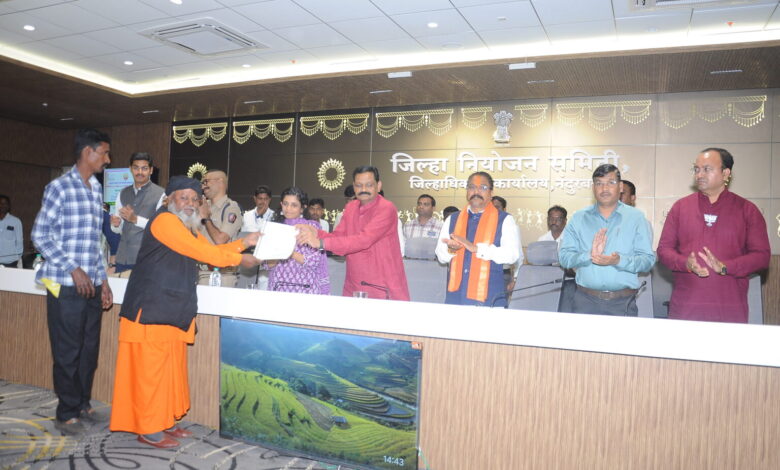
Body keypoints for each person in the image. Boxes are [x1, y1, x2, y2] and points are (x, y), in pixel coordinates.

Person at [110, 176, 261, 448]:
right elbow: (207, 255)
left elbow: (210, 249)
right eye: (183, 198)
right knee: (151, 373)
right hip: (150, 311)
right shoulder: (165, 221)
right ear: (169, 199)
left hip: (169, 311)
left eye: (194, 199)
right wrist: (241, 258)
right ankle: (148, 427)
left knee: (169, 371)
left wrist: (244, 242)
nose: (190, 203)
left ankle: (164, 420)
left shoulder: (185, 227)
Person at [31, 128, 114, 435]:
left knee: (89, 350)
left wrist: (103, 280)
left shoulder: (95, 188)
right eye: (104, 153)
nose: (108, 159)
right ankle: (66, 412)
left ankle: (82, 403)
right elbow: (40, 235)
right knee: (68, 350)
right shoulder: (59, 187)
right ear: (87, 153)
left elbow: (94, 242)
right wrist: (73, 268)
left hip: (92, 283)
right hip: (64, 284)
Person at [657, 148, 770, 323]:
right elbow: (664, 250)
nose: (699, 175)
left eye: (707, 169)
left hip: (729, 311)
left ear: (726, 173)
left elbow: (762, 257)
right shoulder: (681, 207)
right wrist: (685, 263)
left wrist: (725, 267)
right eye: (696, 169)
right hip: (686, 310)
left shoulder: (747, 210)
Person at [296, 166, 409, 300]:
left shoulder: (386, 208)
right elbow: (338, 238)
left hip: (382, 287)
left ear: (378, 186)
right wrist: (316, 233)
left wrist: (320, 243)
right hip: (354, 285)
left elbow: (363, 240)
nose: (363, 189)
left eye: (369, 185)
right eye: (359, 185)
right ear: (354, 187)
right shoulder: (351, 207)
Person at [559, 164, 655, 316]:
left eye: (611, 182)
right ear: (593, 188)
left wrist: (618, 261)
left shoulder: (636, 218)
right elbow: (564, 258)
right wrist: (589, 255)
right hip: (584, 301)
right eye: (599, 183)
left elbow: (647, 260)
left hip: (622, 302)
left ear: (620, 187)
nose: (604, 188)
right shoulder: (578, 218)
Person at [436, 172, 521, 307]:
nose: (476, 192)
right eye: (472, 187)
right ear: (467, 191)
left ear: (491, 192)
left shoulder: (505, 219)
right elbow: (441, 257)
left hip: (489, 299)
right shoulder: (452, 219)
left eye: (483, 187)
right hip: (456, 297)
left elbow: (512, 255)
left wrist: (477, 249)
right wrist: (451, 249)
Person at [109, 152, 165, 277]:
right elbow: (118, 228)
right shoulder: (122, 193)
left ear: (151, 170)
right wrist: (115, 224)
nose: (140, 172)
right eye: (136, 168)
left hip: (147, 258)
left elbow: (161, 228)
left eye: (144, 168)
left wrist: (135, 219)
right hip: (122, 258)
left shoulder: (161, 194)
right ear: (130, 169)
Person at [265, 187, 329, 294]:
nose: (288, 208)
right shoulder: (274, 228)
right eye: (285, 204)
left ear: (302, 208)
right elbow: (266, 264)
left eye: (294, 205)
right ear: (281, 204)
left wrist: (290, 253)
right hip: (278, 288)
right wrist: (277, 255)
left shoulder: (311, 227)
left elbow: (314, 261)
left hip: (305, 290)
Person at [198, 169, 243, 286]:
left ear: (220, 182)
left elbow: (220, 239)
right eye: (202, 183)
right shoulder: (203, 206)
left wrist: (206, 218)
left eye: (206, 181)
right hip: (199, 272)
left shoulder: (231, 208)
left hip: (221, 276)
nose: (203, 186)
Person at [0, 194, 23, 268]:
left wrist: (17, 257)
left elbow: (19, 241)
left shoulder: (16, 221)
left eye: (5, 203)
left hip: (11, 262)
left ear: (9, 206)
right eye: (0, 203)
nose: (2, 205)